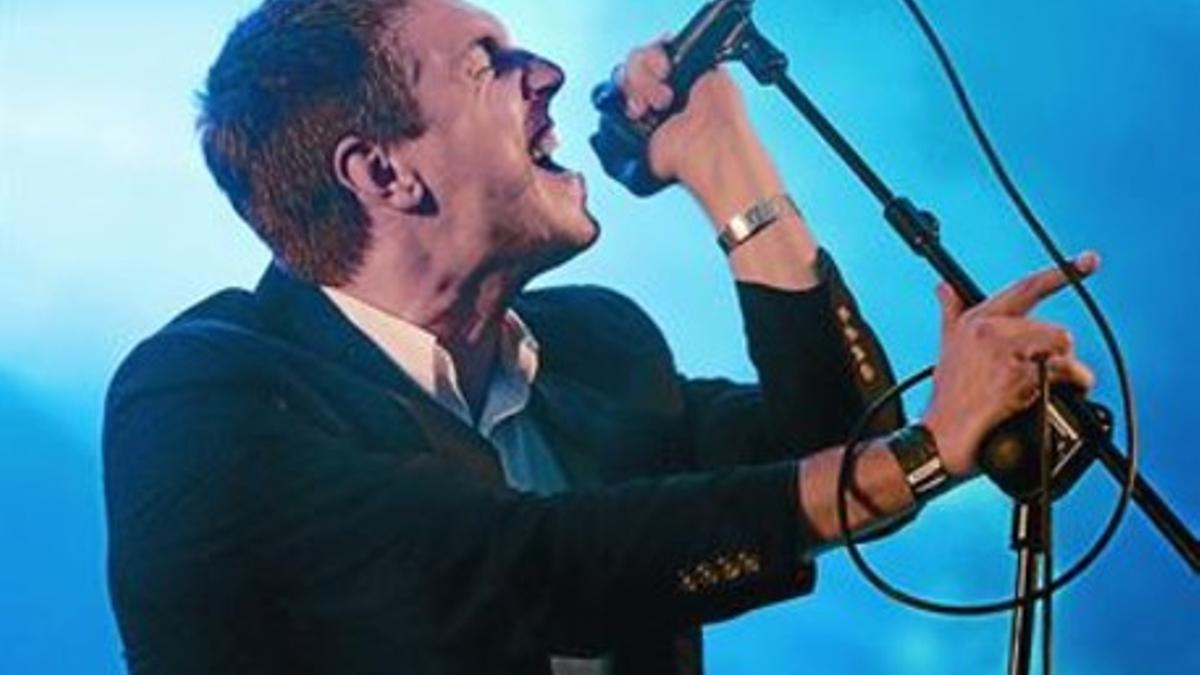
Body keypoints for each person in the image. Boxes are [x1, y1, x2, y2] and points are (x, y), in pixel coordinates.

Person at [102, 0, 1098, 673]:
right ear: (384, 175)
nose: (546, 75)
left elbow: (832, 450)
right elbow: (519, 569)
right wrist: (923, 455)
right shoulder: (201, 402)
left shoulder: (598, 348)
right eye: (488, 61)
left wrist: (730, 170)